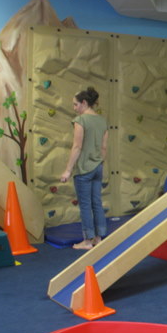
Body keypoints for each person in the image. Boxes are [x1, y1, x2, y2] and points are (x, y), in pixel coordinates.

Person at [60, 87, 108, 250]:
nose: (74, 108)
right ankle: (98, 239)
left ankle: (87, 241)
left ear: (84, 103)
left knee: (86, 205)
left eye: (76, 104)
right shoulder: (102, 121)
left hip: (84, 169)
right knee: (97, 203)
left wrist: (68, 170)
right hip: (98, 167)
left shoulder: (80, 120)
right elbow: (104, 148)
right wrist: (99, 163)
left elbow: (77, 146)